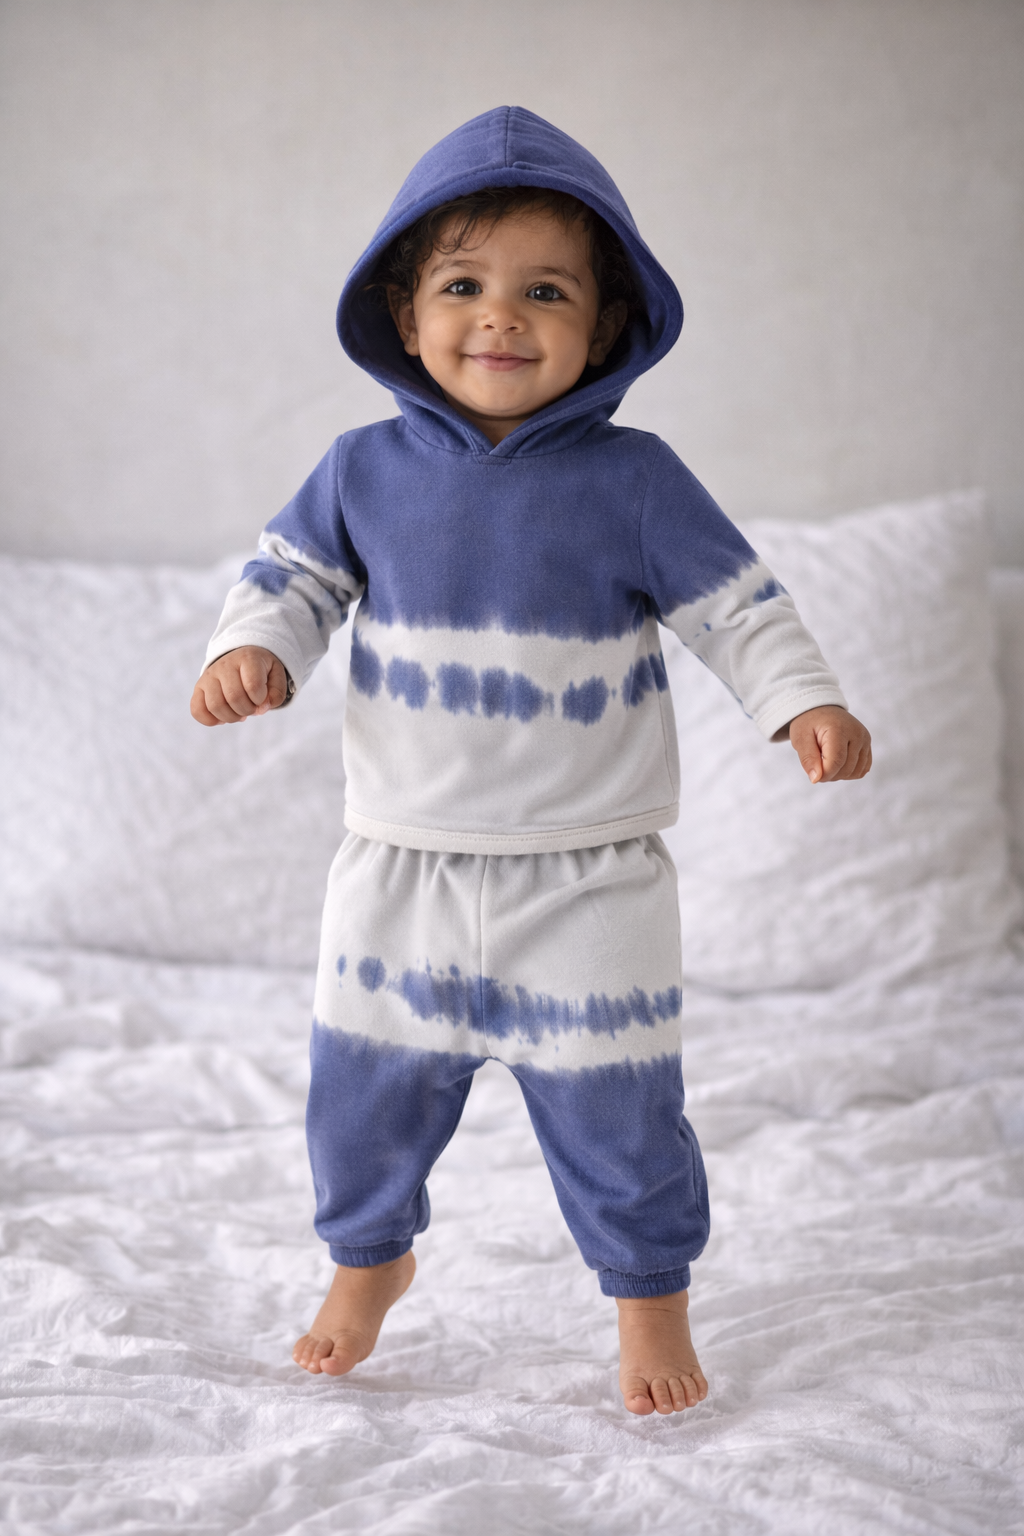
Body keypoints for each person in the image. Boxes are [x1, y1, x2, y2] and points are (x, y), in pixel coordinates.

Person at [191, 107, 871, 1417]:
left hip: (590, 886)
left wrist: (803, 703)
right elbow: (288, 580)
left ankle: (650, 1307)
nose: (501, 318)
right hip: (400, 877)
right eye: (463, 286)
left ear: (605, 328)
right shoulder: (361, 471)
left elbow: (741, 608)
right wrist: (258, 650)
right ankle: (365, 1265)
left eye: (545, 291)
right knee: (357, 1106)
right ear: (402, 312)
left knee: (625, 1123)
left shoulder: (636, 480)